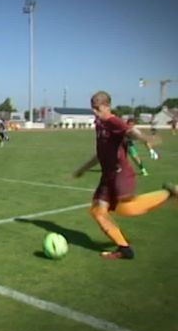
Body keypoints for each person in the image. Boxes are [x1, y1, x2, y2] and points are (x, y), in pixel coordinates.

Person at [73, 91, 177, 260]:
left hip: (120, 174)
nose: (94, 111)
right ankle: (124, 249)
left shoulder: (113, 121)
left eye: (97, 108)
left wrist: (145, 138)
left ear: (107, 106)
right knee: (97, 211)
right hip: (107, 177)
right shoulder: (99, 124)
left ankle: (168, 194)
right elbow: (100, 153)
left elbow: (129, 131)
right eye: (92, 107)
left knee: (125, 208)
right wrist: (83, 168)